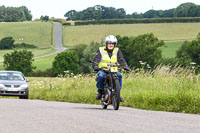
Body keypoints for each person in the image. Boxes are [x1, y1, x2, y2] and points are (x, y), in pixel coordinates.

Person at [92, 35, 130, 102]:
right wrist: (95, 66)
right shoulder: (101, 50)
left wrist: (125, 66)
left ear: (115, 44)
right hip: (103, 69)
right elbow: (96, 59)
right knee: (101, 76)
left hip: (113, 69)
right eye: (109, 43)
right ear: (106, 44)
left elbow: (121, 59)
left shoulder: (117, 50)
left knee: (119, 75)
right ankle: (100, 91)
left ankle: (118, 94)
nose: (111, 45)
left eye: (112, 43)